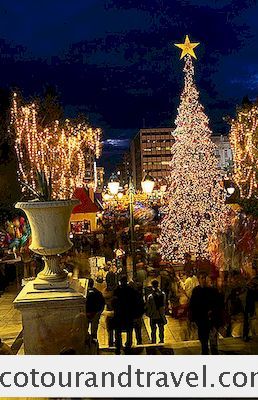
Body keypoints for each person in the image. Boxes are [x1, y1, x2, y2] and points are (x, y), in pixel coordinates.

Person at [189, 272, 224, 355]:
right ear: (199, 279)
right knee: (203, 341)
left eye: (205, 278)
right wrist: (193, 319)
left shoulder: (213, 290)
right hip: (201, 319)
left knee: (213, 342)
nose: (204, 280)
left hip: (212, 319)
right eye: (202, 278)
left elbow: (218, 304)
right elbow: (193, 305)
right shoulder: (196, 291)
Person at [112, 275, 139, 354]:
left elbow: (114, 301)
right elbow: (135, 301)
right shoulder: (131, 290)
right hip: (128, 312)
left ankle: (118, 345)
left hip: (119, 313)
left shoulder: (117, 290)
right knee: (129, 329)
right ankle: (128, 345)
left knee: (118, 330)